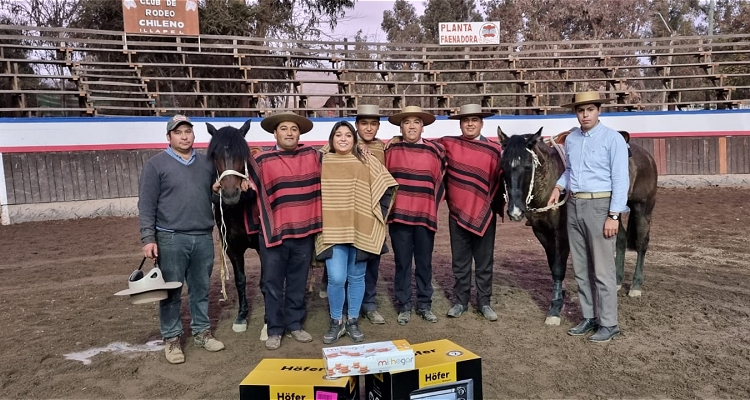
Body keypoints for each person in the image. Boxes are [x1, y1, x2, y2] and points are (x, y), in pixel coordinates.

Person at [138, 114, 224, 364]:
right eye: (178, 132)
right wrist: (148, 237)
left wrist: (218, 193)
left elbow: (213, 200)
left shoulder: (207, 164)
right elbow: (146, 204)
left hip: (202, 237)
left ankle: (202, 332)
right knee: (171, 292)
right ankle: (172, 338)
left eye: (188, 131)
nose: (184, 136)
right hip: (170, 238)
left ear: (193, 134)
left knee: (200, 289)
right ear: (169, 137)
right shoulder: (156, 165)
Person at [546, 91, 629, 343]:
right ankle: (589, 317)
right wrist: (558, 186)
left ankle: (609, 323)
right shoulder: (571, 140)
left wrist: (614, 215)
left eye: (590, 109)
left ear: (598, 111)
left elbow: (620, 180)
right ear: (576, 113)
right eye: (581, 110)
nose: (585, 114)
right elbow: (570, 171)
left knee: (602, 270)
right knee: (581, 268)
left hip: (600, 206)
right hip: (574, 205)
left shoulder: (612, 139)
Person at [316, 121, 397, 344]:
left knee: (357, 277)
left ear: (355, 140)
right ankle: (336, 321)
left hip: (361, 227)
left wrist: (376, 218)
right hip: (332, 230)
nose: (343, 139)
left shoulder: (365, 160)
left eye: (348, 136)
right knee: (336, 278)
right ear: (331, 139)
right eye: (338, 135)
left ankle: (352, 321)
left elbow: (386, 185)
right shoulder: (322, 161)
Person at [248, 112, 322, 350]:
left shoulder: (313, 156)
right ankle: (274, 329)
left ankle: (295, 325)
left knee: (298, 281)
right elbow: (241, 181)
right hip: (274, 233)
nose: (289, 133)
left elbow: (341, 153)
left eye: (293, 129)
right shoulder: (260, 162)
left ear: (299, 133)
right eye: (284, 129)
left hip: (303, 231)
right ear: (275, 133)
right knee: (272, 282)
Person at [439, 104, 504, 321]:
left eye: (474, 120)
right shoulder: (448, 144)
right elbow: (424, 147)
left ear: (481, 123)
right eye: (466, 120)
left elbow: (504, 178)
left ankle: (484, 302)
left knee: (485, 261)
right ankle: (460, 301)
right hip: (457, 213)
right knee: (460, 261)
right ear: (460, 124)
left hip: (485, 214)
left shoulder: (494, 150)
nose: (470, 124)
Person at [385, 105, 447, 325]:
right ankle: (404, 305)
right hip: (399, 216)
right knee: (402, 263)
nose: (411, 126)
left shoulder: (435, 151)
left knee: (424, 263)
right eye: (407, 122)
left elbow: (442, 177)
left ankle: (424, 304)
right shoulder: (389, 150)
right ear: (401, 126)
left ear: (423, 126)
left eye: (416, 122)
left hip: (424, 215)